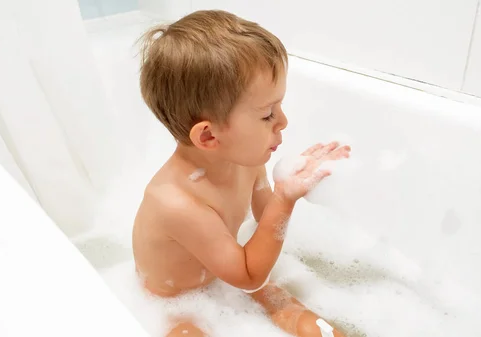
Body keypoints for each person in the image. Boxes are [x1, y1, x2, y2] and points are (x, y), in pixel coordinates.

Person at [132, 9, 350, 337]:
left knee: (290, 307)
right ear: (208, 136)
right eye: (267, 115)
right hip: (174, 302)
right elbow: (249, 275)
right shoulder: (176, 203)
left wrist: (288, 181)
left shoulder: (245, 161)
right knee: (188, 332)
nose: (284, 122)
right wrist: (283, 200)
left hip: (225, 271)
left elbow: (264, 222)